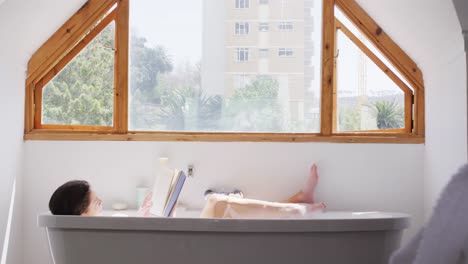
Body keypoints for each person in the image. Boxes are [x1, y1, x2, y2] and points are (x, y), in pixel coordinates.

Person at [49, 164, 325, 218]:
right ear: (81, 212)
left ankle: (296, 201)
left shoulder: (95, 229)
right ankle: (296, 207)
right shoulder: (92, 235)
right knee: (218, 204)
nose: (102, 201)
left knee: (225, 207)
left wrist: (151, 216)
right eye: (95, 201)